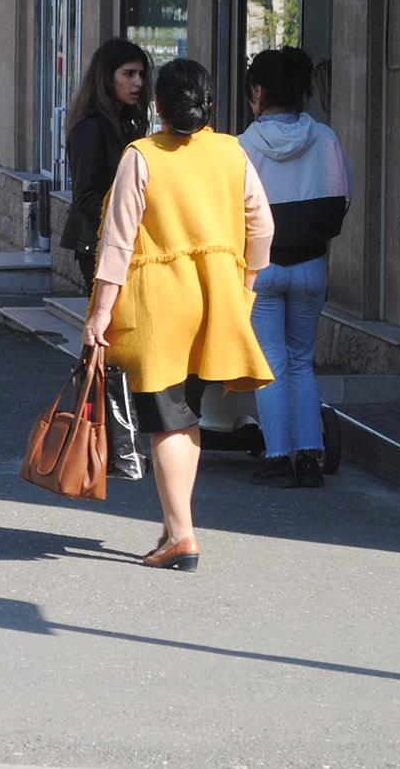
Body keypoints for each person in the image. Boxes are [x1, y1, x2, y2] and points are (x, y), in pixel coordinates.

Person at [80, 58, 274, 571]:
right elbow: (263, 227)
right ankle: (175, 525)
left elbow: (118, 242)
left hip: (157, 305)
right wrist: (245, 285)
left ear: (158, 106)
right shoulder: (232, 152)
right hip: (213, 301)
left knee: (166, 422)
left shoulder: (141, 156)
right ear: (209, 103)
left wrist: (100, 313)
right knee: (186, 415)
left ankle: (182, 536)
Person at [238, 47, 351, 489]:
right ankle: (309, 456)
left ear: (260, 91)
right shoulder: (326, 138)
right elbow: (344, 197)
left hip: (262, 267)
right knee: (303, 360)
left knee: (272, 362)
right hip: (312, 262)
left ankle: (278, 455)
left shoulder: (244, 144)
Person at [59, 40, 151, 284]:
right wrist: (127, 223)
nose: (138, 83)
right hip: (99, 242)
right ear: (106, 78)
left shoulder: (125, 124)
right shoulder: (90, 127)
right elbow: (85, 195)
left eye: (141, 74)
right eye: (128, 74)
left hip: (120, 240)